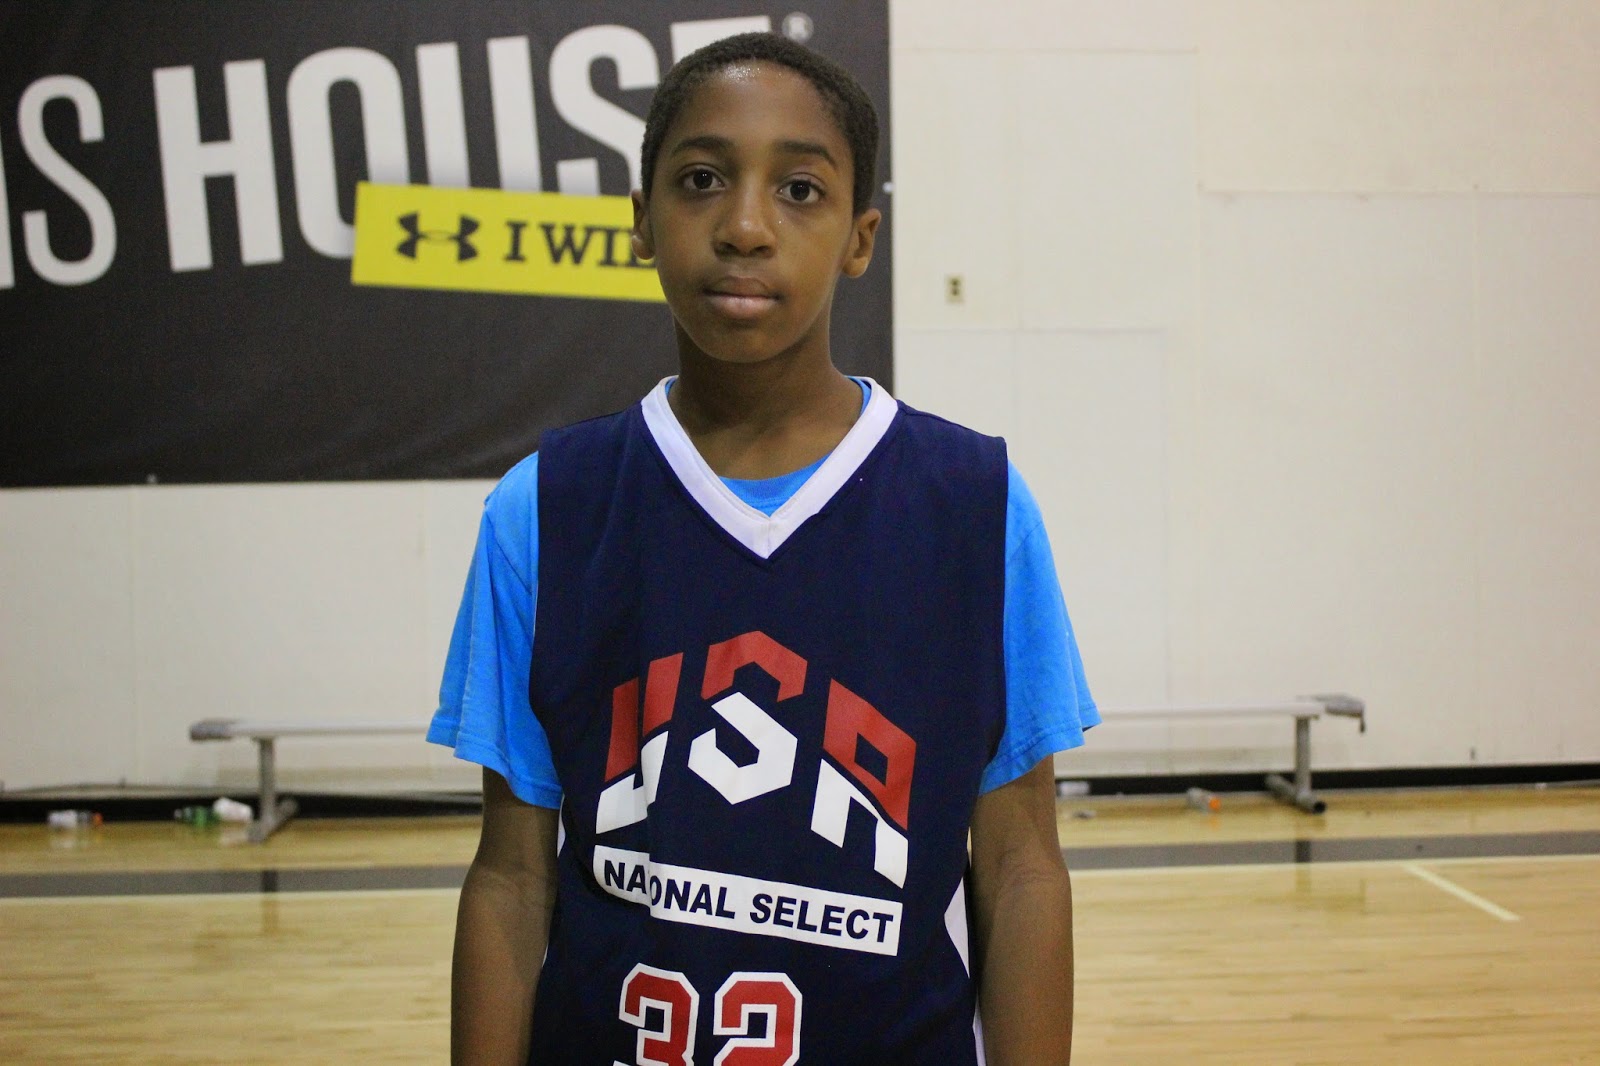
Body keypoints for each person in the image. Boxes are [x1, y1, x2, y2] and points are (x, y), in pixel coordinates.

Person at [429, 31, 1098, 1065]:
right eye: (701, 180)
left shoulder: (976, 506)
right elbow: (512, 877)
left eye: (799, 190)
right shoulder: (548, 507)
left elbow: (1019, 868)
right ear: (641, 220)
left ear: (860, 237)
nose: (744, 227)